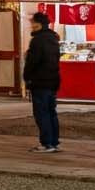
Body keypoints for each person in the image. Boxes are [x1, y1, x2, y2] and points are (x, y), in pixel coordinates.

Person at [22, 11, 61, 153]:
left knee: (41, 112)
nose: (31, 26)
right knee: (51, 112)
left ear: (37, 24)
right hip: (53, 80)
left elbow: (33, 62)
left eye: (32, 23)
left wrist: (26, 77)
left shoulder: (38, 40)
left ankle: (46, 143)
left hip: (40, 81)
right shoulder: (53, 38)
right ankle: (54, 141)